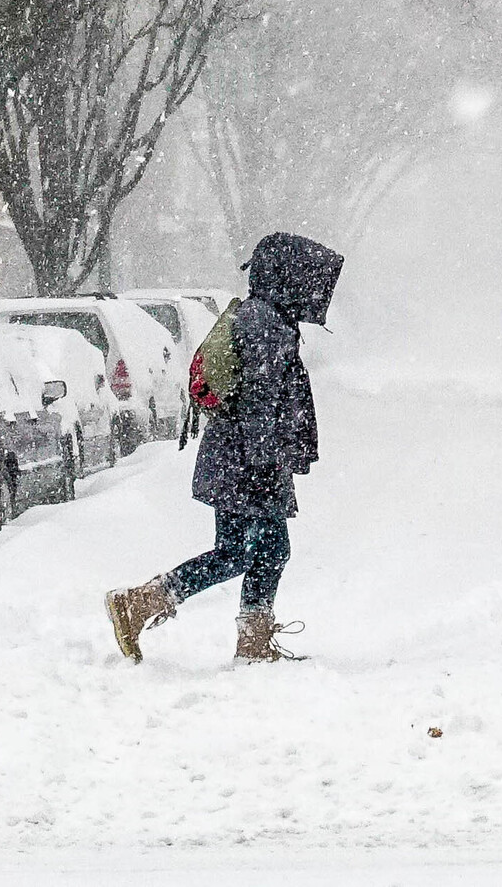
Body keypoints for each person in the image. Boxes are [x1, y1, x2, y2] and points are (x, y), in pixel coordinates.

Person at [106, 232, 342, 665]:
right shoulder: (266, 325)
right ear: (289, 278)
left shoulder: (264, 317)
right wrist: (265, 463)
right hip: (248, 461)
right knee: (243, 552)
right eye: (310, 280)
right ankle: (143, 602)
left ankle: (248, 639)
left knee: (264, 550)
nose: (316, 292)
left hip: (239, 457)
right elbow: (260, 403)